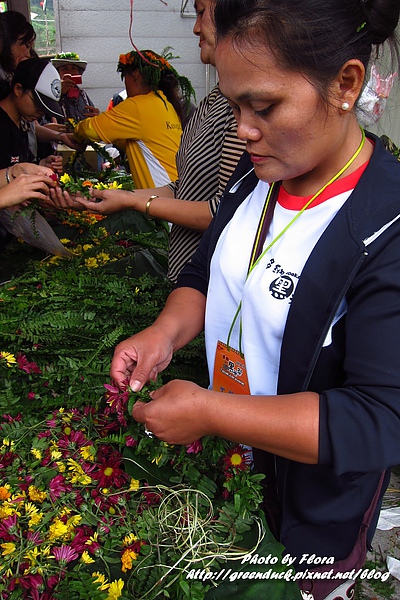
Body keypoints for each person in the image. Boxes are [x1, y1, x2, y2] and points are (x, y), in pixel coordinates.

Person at [108, 1, 400, 599]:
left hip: (311, 510)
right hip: (235, 470)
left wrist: (212, 411)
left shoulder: (384, 226)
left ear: (345, 83)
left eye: (263, 106)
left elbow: (379, 417)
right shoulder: (256, 177)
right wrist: (164, 334)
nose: (242, 129)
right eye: (235, 104)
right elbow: (207, 280)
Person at [50, 0, 246, 282]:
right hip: (187, 274)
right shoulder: (210, 99)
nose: (195, 27)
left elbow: (224, 211)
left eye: (201, 12)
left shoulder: (237, 105)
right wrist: (122, 197)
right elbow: (187, 186)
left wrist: (136, 203)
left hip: (208, 279)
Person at [67, 49, 195, 190]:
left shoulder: (138, 105)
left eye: (124, 76)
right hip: (178, 190)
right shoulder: (165, 104)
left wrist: (75, 135)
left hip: (164, 196)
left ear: (135, 75)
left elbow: (89, 129)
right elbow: (138, 142)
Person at [0, 57, 64, 171]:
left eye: (45, 109)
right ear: (18, 89)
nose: (41, 113)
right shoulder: (3, 125)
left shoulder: (22, 121)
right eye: (38, 104)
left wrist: (41, 165)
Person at [51, 52, 99, 122]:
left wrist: (96, 116)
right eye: (65, 68)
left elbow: (93, 114)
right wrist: (60, 93)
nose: (70, 72)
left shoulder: (83, 94)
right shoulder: (51, 93)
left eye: (74, 69)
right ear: (57, 73)